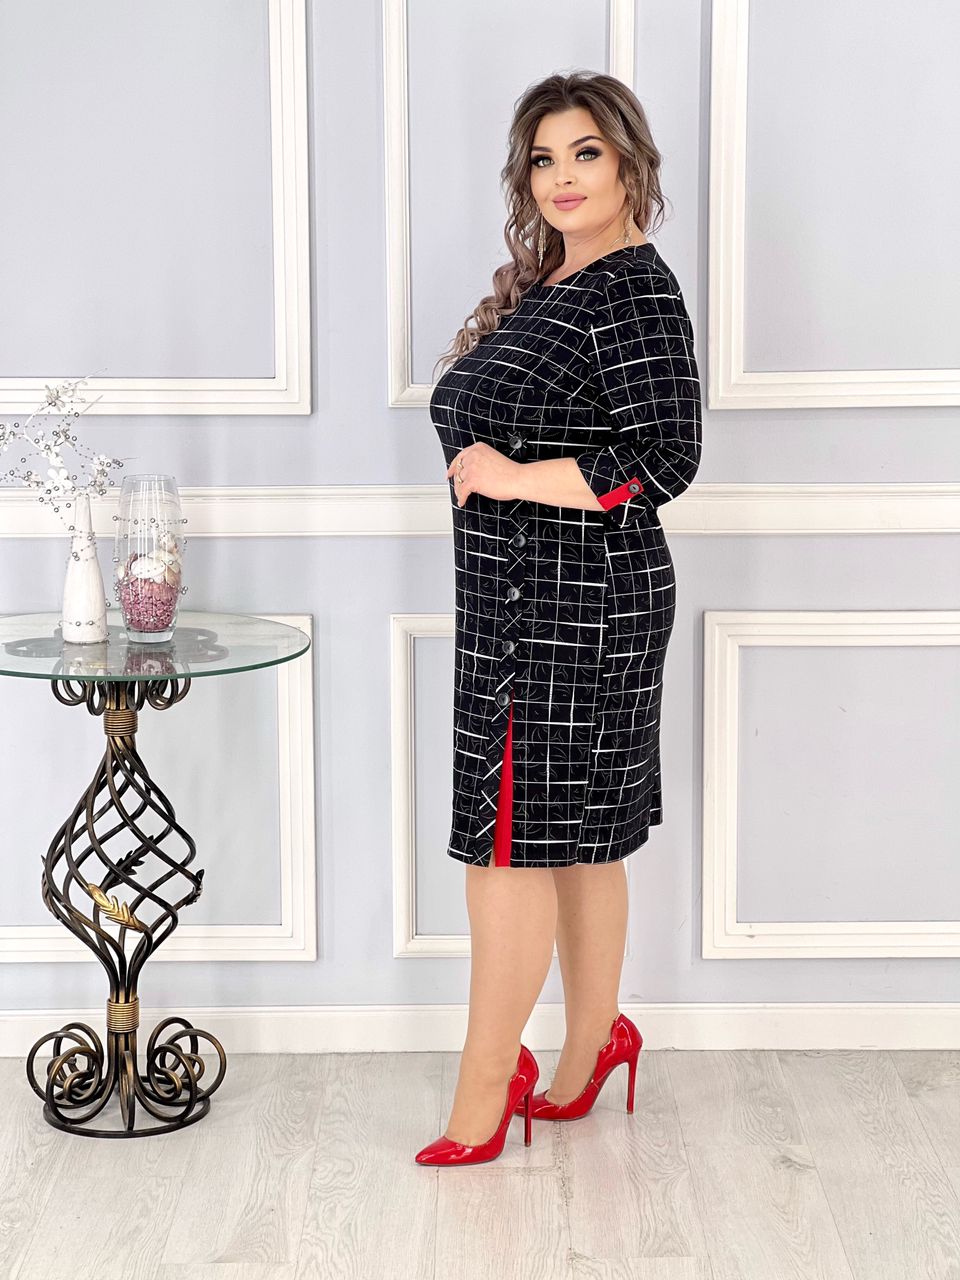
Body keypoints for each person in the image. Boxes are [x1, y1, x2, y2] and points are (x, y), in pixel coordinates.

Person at [416, 70, 702, 1166]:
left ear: (630, 163)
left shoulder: (631, 289)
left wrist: (509, 475)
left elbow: (665, 458)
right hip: (517, 603)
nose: (563, 177)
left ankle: (485, 1092)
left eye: (586, 153)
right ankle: (590, 1049)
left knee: (510, 846)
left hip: (576, 609)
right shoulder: (551, 284)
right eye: (544, 159)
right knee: (576, 839)